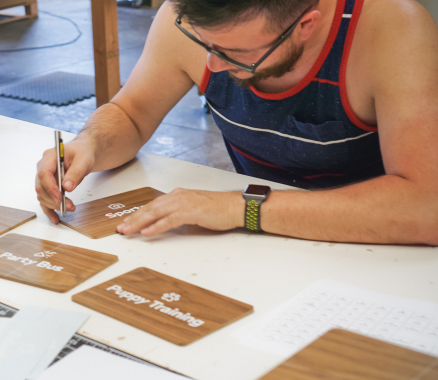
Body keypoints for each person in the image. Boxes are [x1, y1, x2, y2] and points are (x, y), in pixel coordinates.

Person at [35, 0, 438, 245]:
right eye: (205, 44)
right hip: (262, 243)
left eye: (234, 53)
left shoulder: (392, 28)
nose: (212, 64)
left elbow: (427, 208)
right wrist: (89, 144)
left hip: (380, 251)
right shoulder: (191, 17)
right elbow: (130, 113)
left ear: (305, 25)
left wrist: (241, 209)